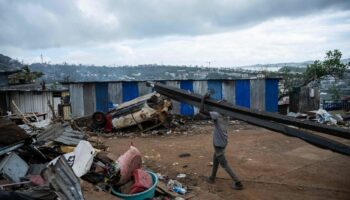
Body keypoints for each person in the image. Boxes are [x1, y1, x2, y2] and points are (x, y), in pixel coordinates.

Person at [200, 92, 244, 190]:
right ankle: (212, 177)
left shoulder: (216, 114)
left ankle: (238, 182)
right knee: (215, 159)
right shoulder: (225, 115)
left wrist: (203, 98)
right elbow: (207, 113)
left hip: (218, 143)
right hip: (223, 141)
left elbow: (201, 111)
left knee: (224, 164)